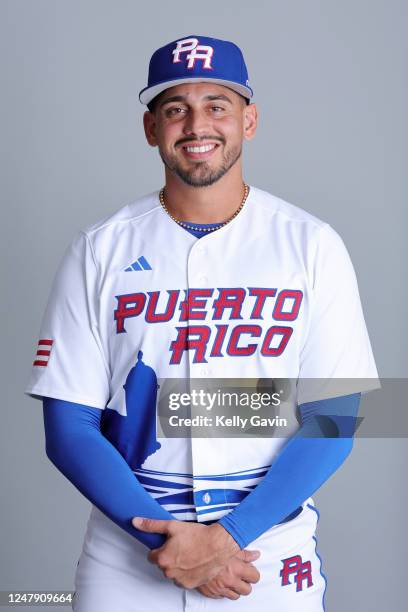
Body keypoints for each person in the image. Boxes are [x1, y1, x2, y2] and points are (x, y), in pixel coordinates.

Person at [25, 35, 380, 611]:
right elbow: (68, 428)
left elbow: (336, 417)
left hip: (265, 553)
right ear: (150, 128)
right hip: (129, 557)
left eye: (217, 105)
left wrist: (227, 540)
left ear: (250, 119)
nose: (197, 124)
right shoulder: (98, 250)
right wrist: (172, 546)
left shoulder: (311, 245)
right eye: (175, 109)